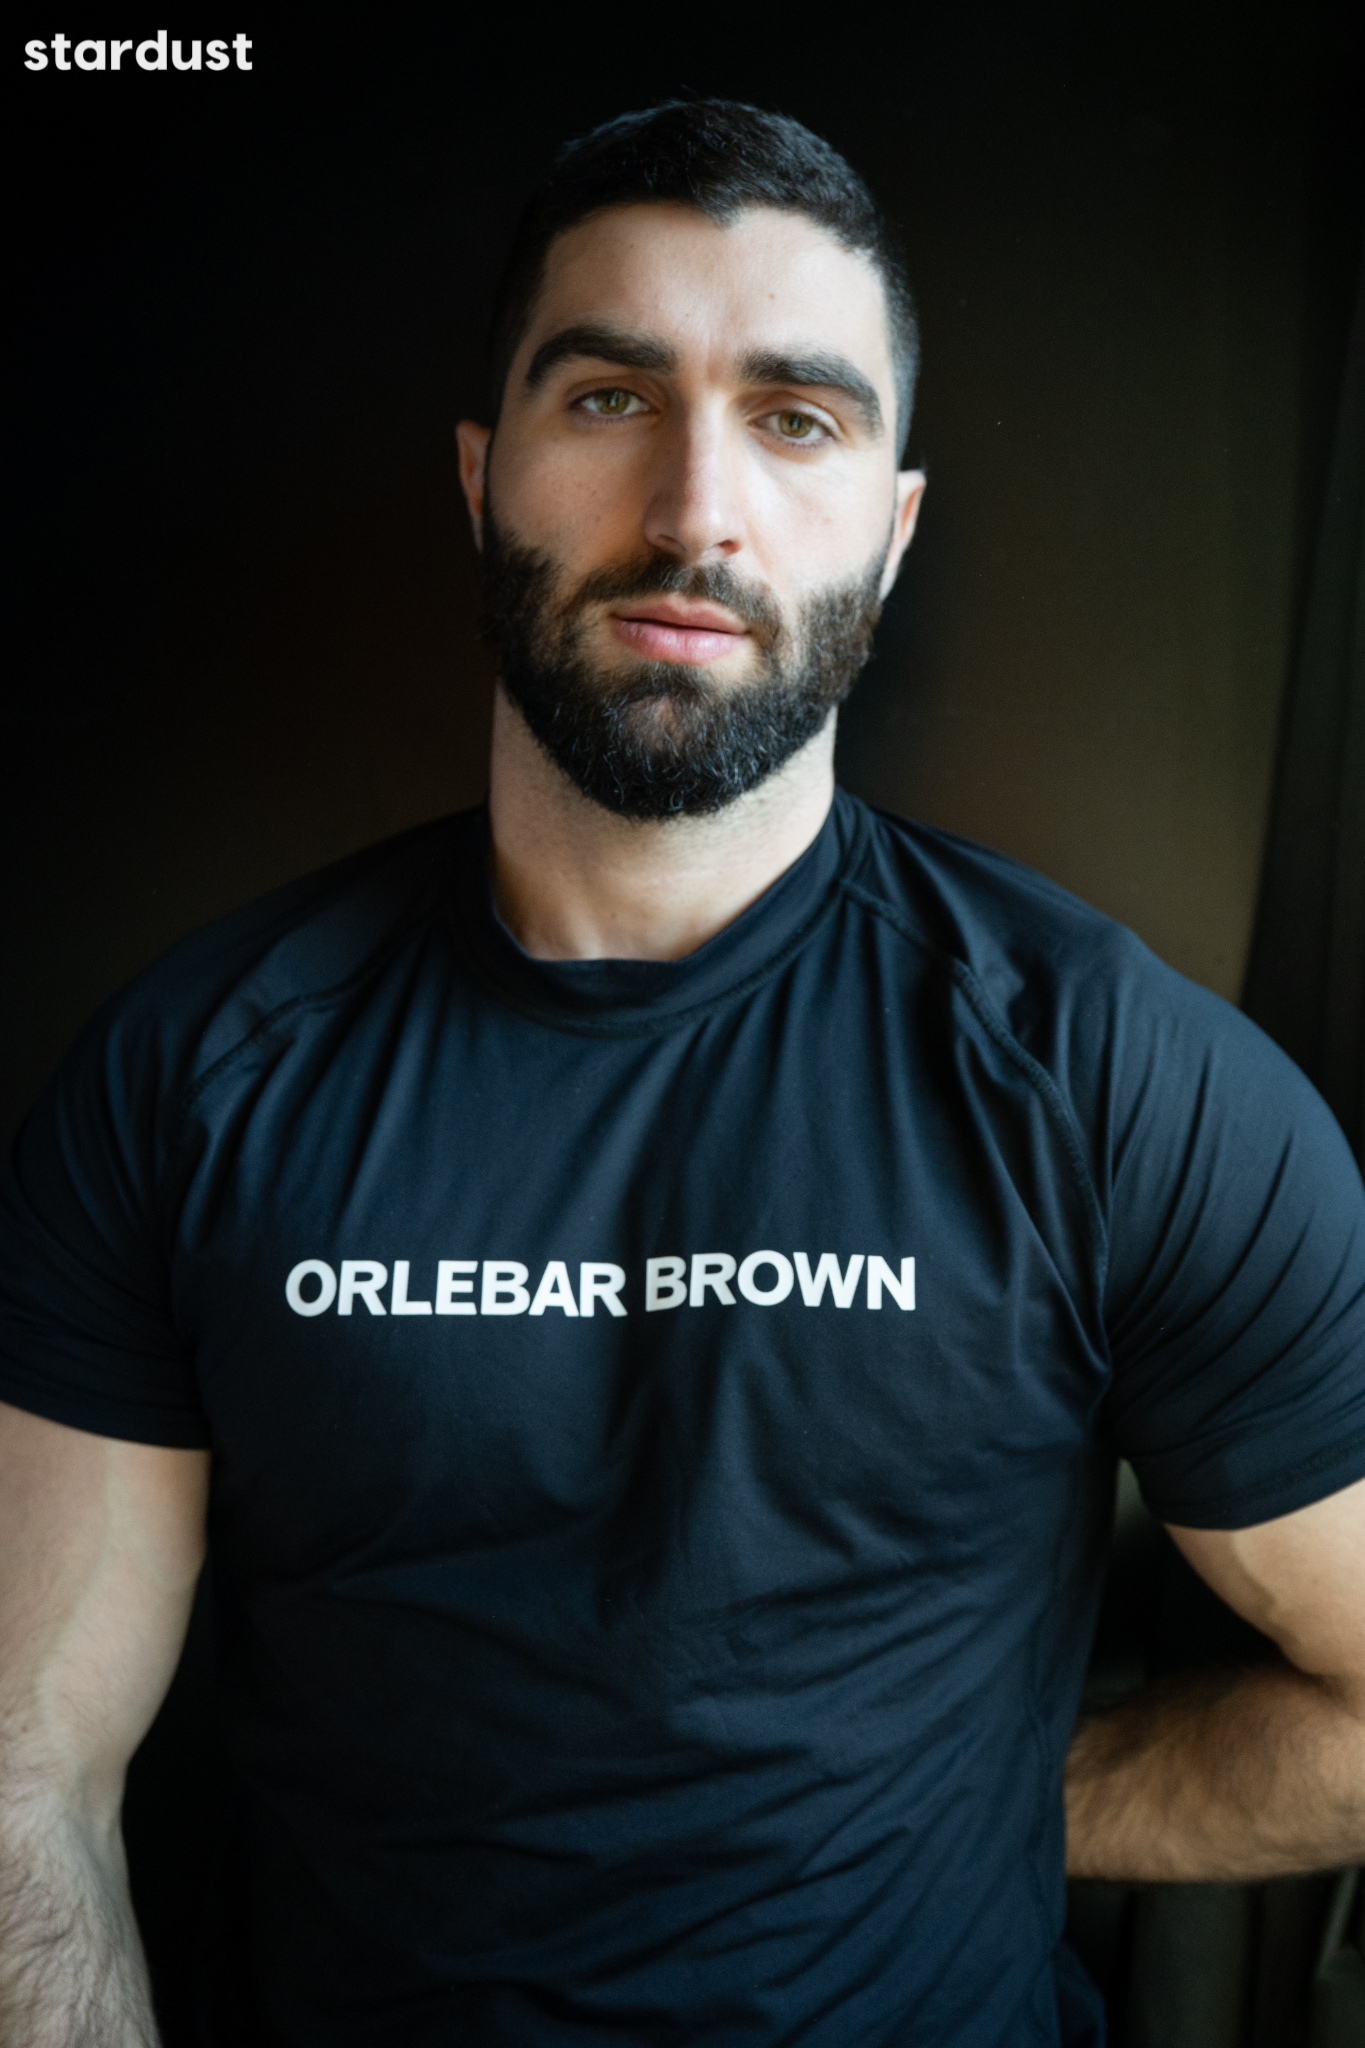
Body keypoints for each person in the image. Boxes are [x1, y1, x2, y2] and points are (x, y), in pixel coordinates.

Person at [1, 99, 1362, 2048]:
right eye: (609, 398)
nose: (696, 508)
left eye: (796, 419)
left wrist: (997, 1819)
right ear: (482, 475)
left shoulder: (1113, 1082)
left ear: (892, 529)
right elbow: (21, 1773)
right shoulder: (193, 1075)